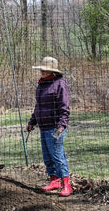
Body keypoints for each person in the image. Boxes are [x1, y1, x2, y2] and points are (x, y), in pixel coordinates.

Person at [26, 57, 73, 197]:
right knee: (47, 156)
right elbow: (39, 106)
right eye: (41, 68)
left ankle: (67, 185)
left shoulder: (59, 84)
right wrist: (32, 121)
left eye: (44, 69)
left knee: (58, 156)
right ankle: (54, 181)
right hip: (43, 126)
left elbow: (64, 107)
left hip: (54, 127)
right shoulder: (42, 84)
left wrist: (62, 125)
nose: (41, 70)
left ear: (51, 71)